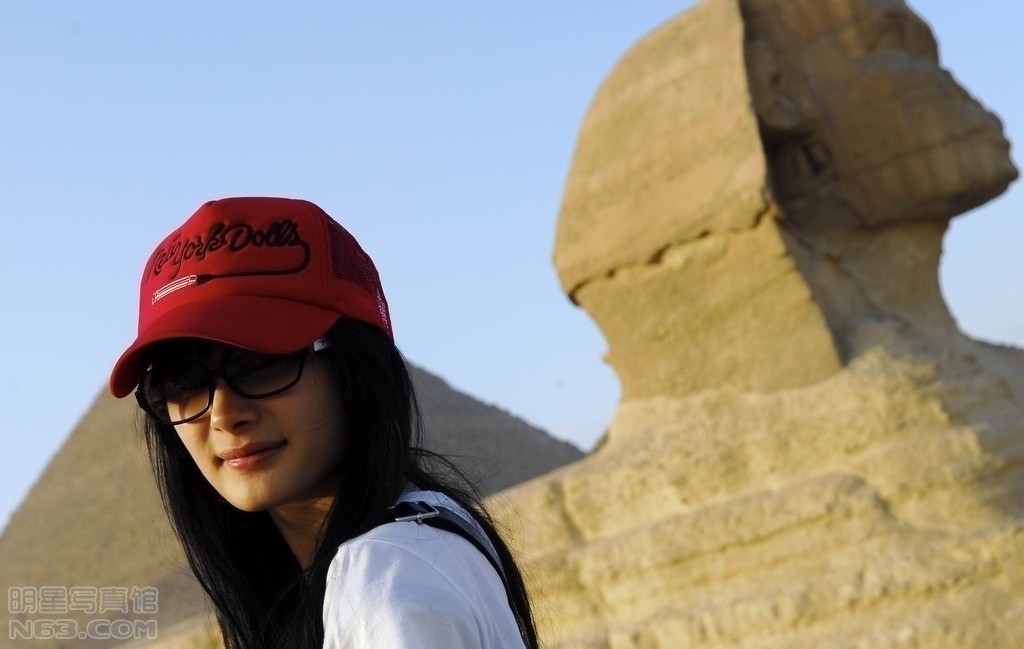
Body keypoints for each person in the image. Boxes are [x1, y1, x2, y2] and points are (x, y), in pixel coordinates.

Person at [108, 196, 539, 649]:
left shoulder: (383, 584)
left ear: (356, 366)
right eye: (182, 382)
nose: (223, 415)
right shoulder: (426, 540)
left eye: (261, 362)